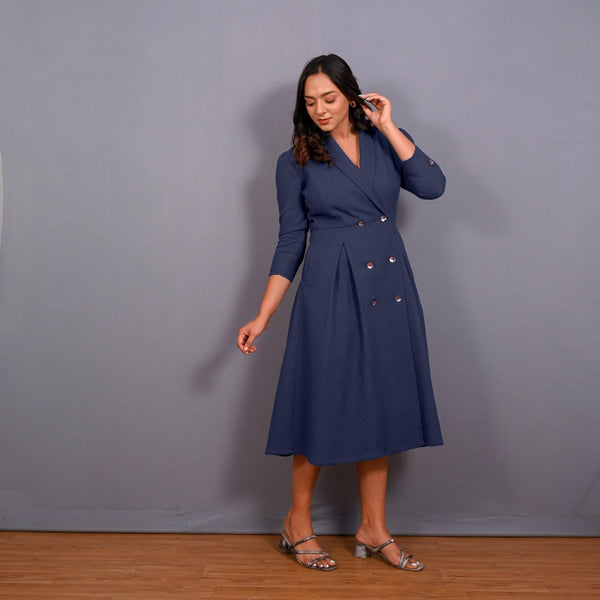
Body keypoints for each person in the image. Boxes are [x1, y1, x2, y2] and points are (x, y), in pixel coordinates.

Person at [237, 54, 445, 572]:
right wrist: (262, 315)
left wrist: (389, 125)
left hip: (388, 285)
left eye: (329, 98)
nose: (320, 110)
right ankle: (297, 523)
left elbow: (432, 185)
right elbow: (290, 242)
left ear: (352, 95)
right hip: (330, 289)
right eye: (310, 102)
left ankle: (373, 528)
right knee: (321, 401)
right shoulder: (296, 161)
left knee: (382, 403)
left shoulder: (384, 142)